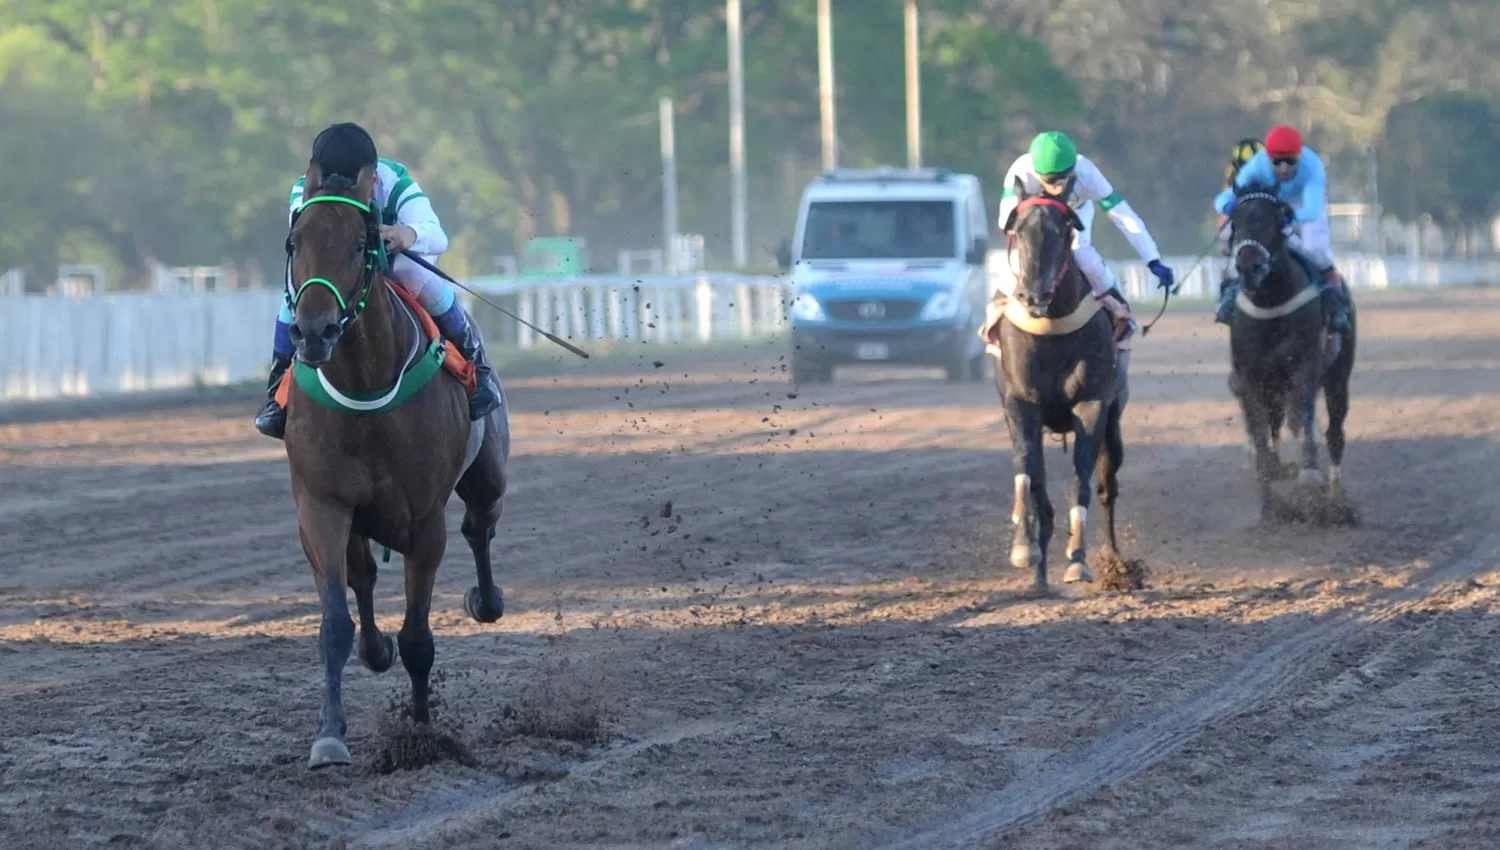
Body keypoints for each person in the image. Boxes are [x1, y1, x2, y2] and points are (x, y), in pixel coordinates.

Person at [253, 122, 502, 438]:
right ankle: (277, 390)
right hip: (339, 270)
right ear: (316, 177)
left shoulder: (394, 179)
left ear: (373, 175)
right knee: (295, 290)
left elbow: (436, 234)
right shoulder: (303, 190)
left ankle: (479, 370)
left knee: (412, 272)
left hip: (391, 259)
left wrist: (405, 234)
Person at [993, 131, 1175, 347]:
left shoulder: (1087, 172)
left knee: (1082, 254)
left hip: (1076, 213)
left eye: (1064, 178)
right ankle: (996, 309)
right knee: (1023, 257)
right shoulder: (1020, 170)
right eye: (1051, 181)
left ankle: (1118, 309)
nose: (1058, 187)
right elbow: (1005, 220)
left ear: (1073, 168)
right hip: (1036, 219)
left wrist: (1152, 258)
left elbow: (1122, 215)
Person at [1212, 125, 1353, 346]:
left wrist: (1290, 219)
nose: (1284, 168)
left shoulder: (1312, 166)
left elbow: (1313, 209)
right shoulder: (1257, 164)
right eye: (1277, 162)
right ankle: (1229, 293)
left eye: (1290, 161)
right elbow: (1221, 201)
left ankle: (1335, 302)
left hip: (1303, 205)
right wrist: (1234, 208)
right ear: (1268, 158)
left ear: (1299, 157)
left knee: (1313, 249)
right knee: (1242, 244)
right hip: (1270, 204)